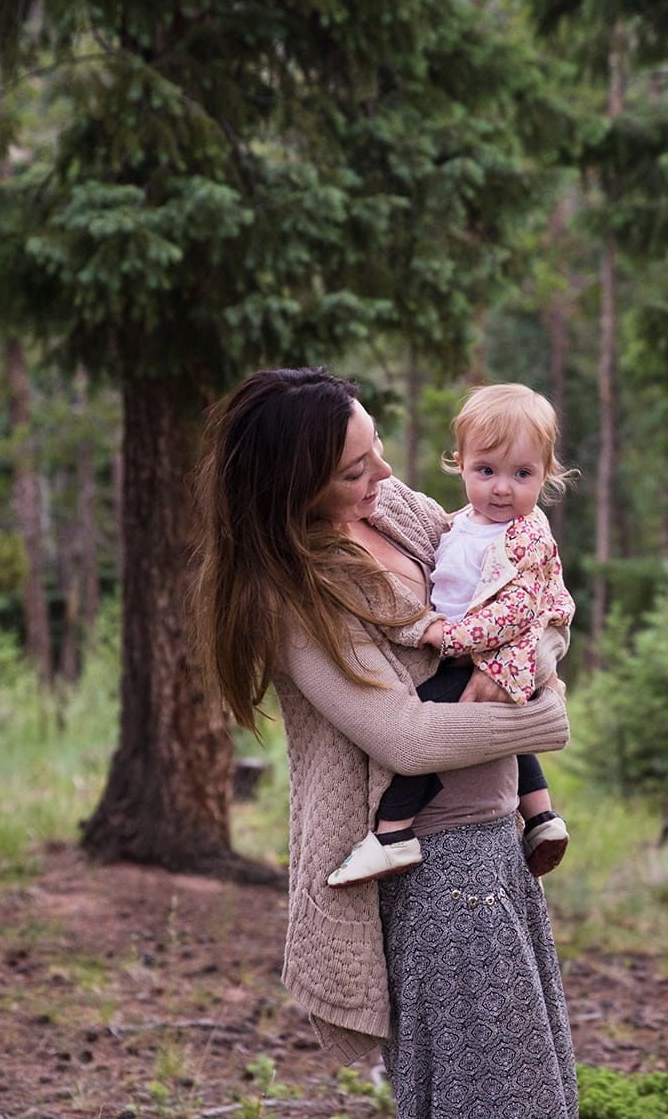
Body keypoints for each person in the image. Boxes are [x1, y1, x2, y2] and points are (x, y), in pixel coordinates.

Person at [190, 367, 579, 1118]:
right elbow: (406, 737)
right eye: (355, 468)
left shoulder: (394, 507)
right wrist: (541, 719)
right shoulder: (292, 597)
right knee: (494, 1097)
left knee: (530, 1085)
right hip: (436, 864)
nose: (386, 473)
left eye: (376, 448)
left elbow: (524, 592)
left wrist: (535, 660)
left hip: (500, 834)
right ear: (294, 486)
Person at [327, 382, 575, 889]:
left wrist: (452, 637)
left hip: (482, 652)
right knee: (478, 722)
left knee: (435, 712)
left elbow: (519, 611)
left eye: (522, 474)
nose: (502, 489)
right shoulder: (457, 522)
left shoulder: (525, 534)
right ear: (459, 464)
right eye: (486, 471)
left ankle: (393, 833)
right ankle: (543, 816)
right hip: (474, 657)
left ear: (545, 475)